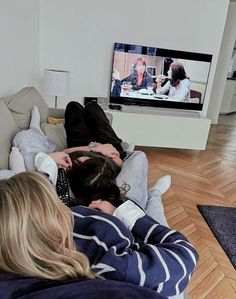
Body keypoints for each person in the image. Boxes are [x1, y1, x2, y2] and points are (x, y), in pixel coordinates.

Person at [0, 172, 198, 298]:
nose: (64, 209)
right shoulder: (111, 264)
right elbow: (186, 255)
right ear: (53, 223)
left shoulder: (15, 255)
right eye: (56, 206)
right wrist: (127, 216)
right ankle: (154, 194)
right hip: (129, 227)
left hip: (96, 210)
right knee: (144, 192)